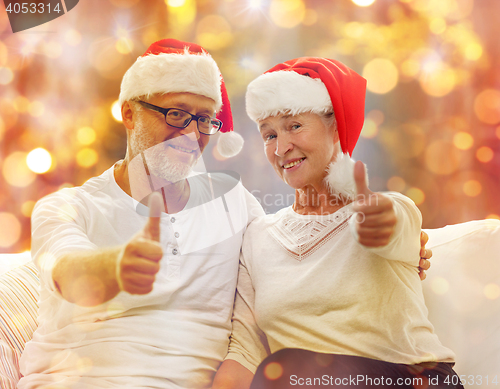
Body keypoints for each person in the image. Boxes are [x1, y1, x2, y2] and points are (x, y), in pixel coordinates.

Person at [18, 39, 265, 389]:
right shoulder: (67, 206)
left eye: (205, 120)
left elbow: (261, 295)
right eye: (177, 114)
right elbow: (67, 271)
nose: (193, 134)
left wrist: (241, 363)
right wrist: (116, 268)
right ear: (130, 113)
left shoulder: (233, 203)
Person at [213, 58, 462, 389]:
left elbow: (392, 225)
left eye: (294, 126)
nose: (281, 148)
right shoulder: (257, 237)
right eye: (269, 135)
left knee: (286, 368)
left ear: (335, 127)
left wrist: (375, 221)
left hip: (414, 381)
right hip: (297, 379)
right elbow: (245, 352)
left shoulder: (389, 207)